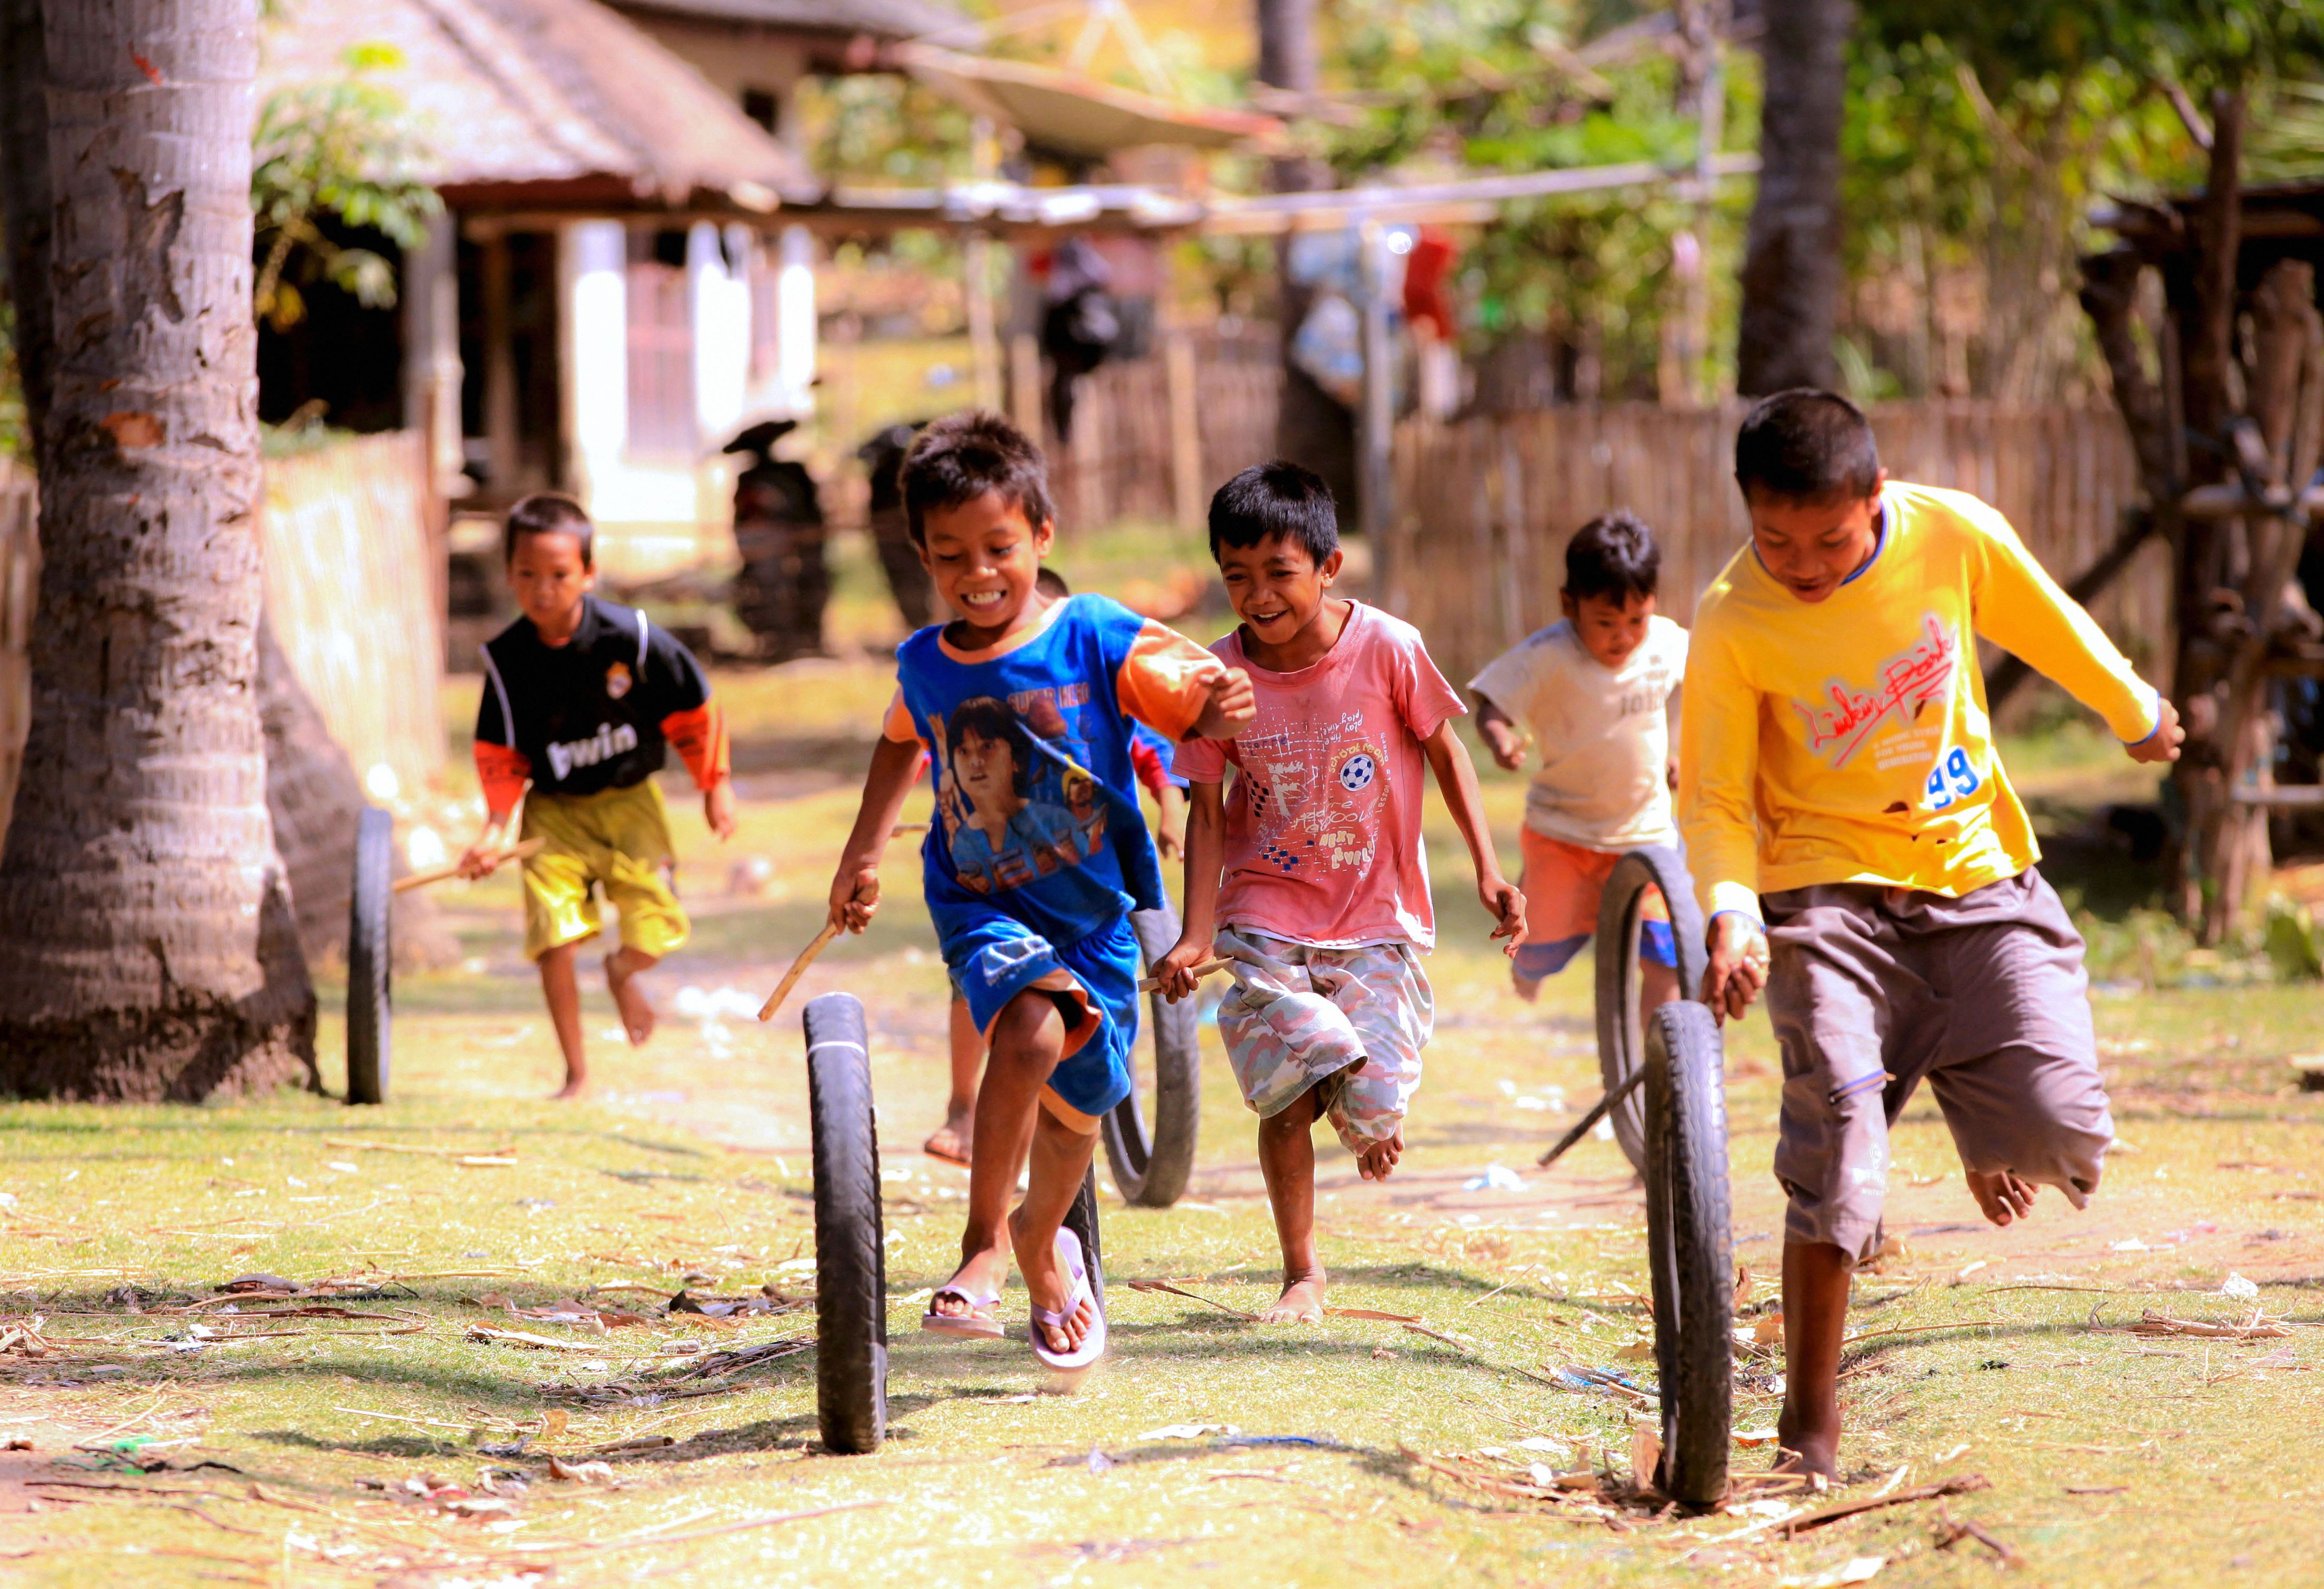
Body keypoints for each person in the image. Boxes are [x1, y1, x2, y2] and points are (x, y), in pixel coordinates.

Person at [1681, 390, 2183, 1478]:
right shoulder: (1732, 617)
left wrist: (2134, 707)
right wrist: (1730, 911)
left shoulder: (1949, 530)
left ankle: (1973, 1091)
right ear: (1747, 514)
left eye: (1829, 538)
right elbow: (1715, 796)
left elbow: (2048, 619)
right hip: (1823, 889)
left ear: (1877, 498)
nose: (1803, 564)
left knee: (2061, 1136)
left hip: (1973, 865)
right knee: (1841, 1158)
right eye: (1776, 540)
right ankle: (1809, 1424)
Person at [826, 411, 1253, 1366]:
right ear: (921, 559)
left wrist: (1217, 701)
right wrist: (861, 853)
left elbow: (1191, 687)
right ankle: (982, 1246)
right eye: (950, 556)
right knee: (1026, 1027)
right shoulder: (924, 665)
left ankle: (1037, 1238)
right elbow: (900, 739)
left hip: (1097, 914)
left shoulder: (1091, 631)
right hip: (982, 901)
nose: (977, 572)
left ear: (1041, 537)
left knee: (1078, 1112)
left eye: (998, 548)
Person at [1155, 461, 1526, 1324]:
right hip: (1265, 909)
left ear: (1327, 567)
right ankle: (1302, 1274)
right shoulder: (1215, 681)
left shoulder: (1387, 647)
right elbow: (1204, 812)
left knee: (1375, 1089)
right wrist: (1193, 933)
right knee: (1298, 1078)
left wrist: (1485, 866)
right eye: (1234, 576)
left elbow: (1445, 750)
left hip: (1376, 913)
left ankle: (1367, 1111)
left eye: (1276, 573)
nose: (1256, 595)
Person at [460, 493, 736, 1099]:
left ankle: (622, 973)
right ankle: (577, 1072)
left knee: (656, 928)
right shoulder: (507, 662)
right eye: (527, 575)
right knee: (552, 939)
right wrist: (493, 832)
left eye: (559, 575)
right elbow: (502, 756)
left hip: (631, 805)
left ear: (587, 573)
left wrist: (714, 786)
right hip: (553, 817)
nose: (542, 589)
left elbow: (694, 705)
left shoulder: (633, 639)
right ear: (509, 576)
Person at [920, 565, 1193, 1168]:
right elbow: (928, 745)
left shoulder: (1098, 685)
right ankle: (964, 1106)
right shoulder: (978, 700)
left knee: (1076, 1036)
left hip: (1082, 891)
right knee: (973, 990)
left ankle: (1055, 1128)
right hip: (999, 888)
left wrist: (1171, 814)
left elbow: (1160, 760)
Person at [1468, 511, 1688, 1019]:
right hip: (1563, 834)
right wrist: (1501, 740)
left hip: (1646, 832)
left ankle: (1662, 1065)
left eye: (1637, 620)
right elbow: (1492, 706)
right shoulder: (1548, 655)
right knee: (1541, 951)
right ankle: (1527, 963)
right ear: (1570, 606)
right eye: (1606, 623)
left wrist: (1687, 755)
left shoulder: (1666, 642)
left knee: (1666, 960)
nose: (1624, 636)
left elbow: (1714, 683)